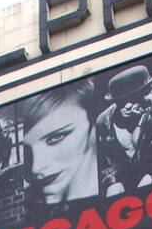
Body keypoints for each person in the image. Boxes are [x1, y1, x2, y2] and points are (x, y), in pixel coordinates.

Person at [21, 80, 99, 208]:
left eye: (56, 137)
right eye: (25, 149)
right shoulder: (31, 205)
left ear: (93, 123)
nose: (35, 168)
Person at [96, 64, 152, 197]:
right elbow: (104, 161)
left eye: (133, 98)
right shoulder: (103, 121)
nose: (127, 106)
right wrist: (111, 182)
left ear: (148, 91)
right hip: (125, 192)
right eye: (121, 101)